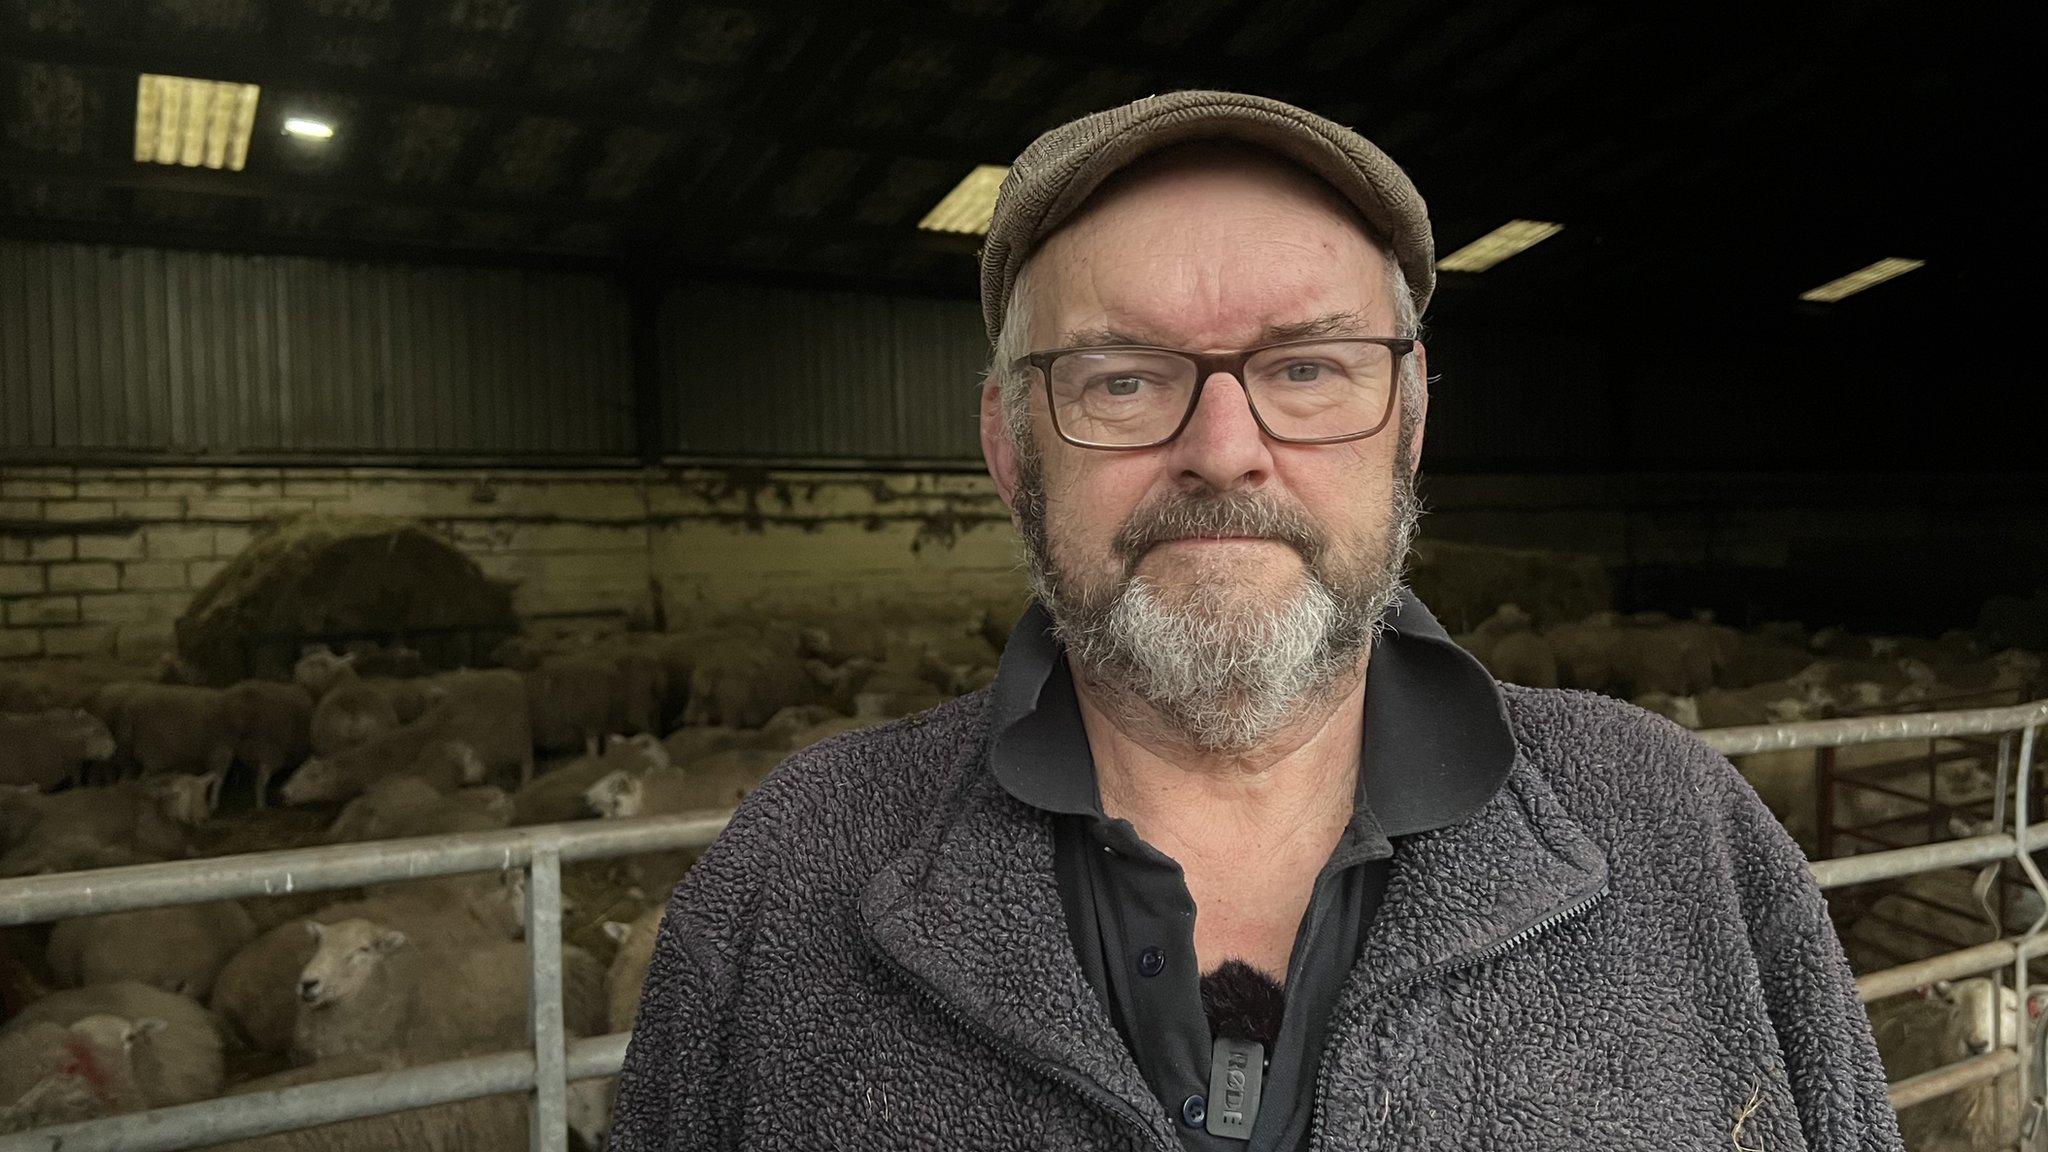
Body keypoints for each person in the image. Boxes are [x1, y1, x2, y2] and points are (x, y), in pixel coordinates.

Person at [610, 90, 1903, 1152]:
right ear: (1011, 451)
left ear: (1407, 423)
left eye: (1306, 369)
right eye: (1122, 378)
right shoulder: (784, 886)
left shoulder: (1691, 841)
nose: (1225, 450)